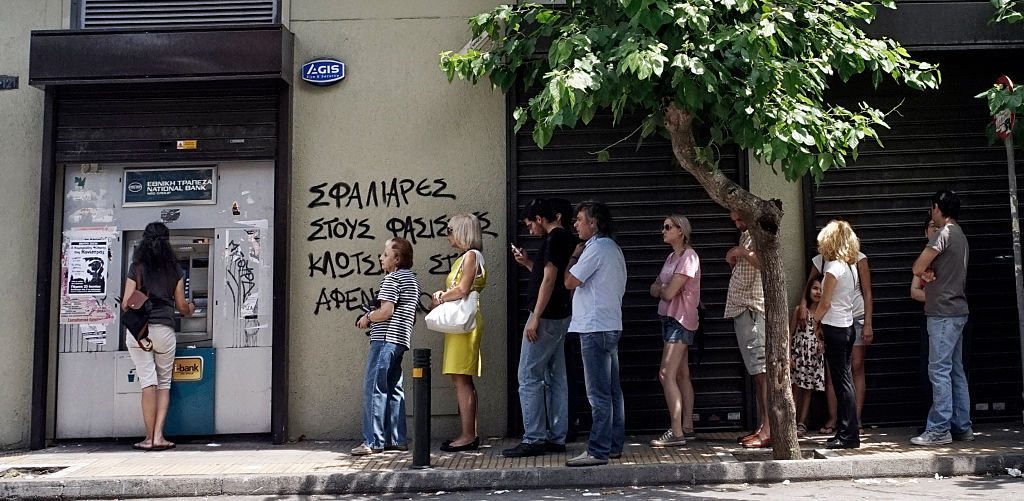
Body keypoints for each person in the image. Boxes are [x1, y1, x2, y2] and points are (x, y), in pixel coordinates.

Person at [503, 199, 575, 458]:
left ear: (541, 218)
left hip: (546, 317)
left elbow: (550, 279)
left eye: (530, 223)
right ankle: (556, 437)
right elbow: (547, 276)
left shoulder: (554, 239)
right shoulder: (566, 239)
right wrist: (527, 263)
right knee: (556, 377)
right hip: (560, 315)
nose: (529, 228)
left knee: (529, 375)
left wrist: (535, 316)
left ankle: (533, 438)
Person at [120, 222, 195, 452]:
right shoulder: (175, 270)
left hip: (139, 332)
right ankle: (159, 437)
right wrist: (191, 308)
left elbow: (125, 303)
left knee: (147, 382)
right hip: (164, 331)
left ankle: (147, 438)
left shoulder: (137, 267)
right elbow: (182, 306)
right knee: (163, 383)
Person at [564, 201, 627, 467]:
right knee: (612, 391)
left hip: (594, 327)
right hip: (610, 324)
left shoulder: (595, 249)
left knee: (598, 394)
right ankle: (612, 445)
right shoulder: (613, 248)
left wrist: (574, 255)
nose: (575, 224)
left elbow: (569, 282)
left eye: (579, 219)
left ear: (594, 223)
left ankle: (597, 451)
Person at [911, 190, 972, 446]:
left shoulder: (943, 234)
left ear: (937, 208)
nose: (930, 213)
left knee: (939, 371)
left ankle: (938, 429)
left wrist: (922, 272)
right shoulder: (960, 235)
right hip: (956, 311)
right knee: (955, 371)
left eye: (931, 208)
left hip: (943, 314)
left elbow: (917, 266)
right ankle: (962, 426)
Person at [351, 238, 420, 456]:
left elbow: (386, 312)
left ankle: (373, 441)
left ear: (397, 259)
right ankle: (396, 439)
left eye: (385, 254)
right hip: (400, 340)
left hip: (384, 340)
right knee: (394, 388)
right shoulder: (411, 280)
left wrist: (368, 317)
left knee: (375, 388)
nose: (381, 258)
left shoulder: (391, 280)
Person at [798, 245, 873, 435]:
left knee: (855, 366)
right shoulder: (822, 260)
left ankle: (855, 420)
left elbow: (867, 292)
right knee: (834, 371)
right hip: (832, 319)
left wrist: (868, 323)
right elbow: (809, 284)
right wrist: (804, 306)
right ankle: (835, 419)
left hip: (854, 316)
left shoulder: (857, 259)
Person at [431, 213, 487, 452]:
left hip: (465, 324)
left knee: (461, 378)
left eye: (451, 230)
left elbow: (463, 289)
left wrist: (442, 296)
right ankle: (468, 433)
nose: (448, 235)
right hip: (460, 324)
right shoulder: (466, 257)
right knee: (460, 377)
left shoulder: (471, 256)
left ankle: (468, 435)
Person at [649, 214, 700, 447]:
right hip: (668, 318)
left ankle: (676, 432)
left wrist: (664, 288)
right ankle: (687, 426)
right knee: (681, 374)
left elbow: (667, 292)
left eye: (668, 227)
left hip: (680, 320)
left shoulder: (689, 257)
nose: (663, 230)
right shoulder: (671, 257)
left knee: (665, 373)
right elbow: (655, 288)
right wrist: (663, 288)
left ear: (681, 230)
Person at [812, 220, 861, 449]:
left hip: (835, 327)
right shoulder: (849, 267)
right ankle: (847, 431)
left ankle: (848, 434)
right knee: (845, 380)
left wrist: (815, 321)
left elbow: (825, 302)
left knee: (842, 382)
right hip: (847, 325)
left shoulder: (832, 268)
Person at [724, 211, 769, 448]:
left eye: (740, 219)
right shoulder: (746, 235)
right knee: (756, 373)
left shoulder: (760, 233)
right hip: (744, 308)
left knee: (762, 372)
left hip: (753, 308)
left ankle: (769, 429)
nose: (737, 224)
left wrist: (741, 253)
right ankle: (763, 426)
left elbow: (765, 262)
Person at [790, 279, 825, 437]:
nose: (818, 292)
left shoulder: (825, 312)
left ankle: (802, 423)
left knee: (809, 389)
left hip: (814, 357)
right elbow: (790, 334)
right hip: (799, 354)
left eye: (821, 289)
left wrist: (821, 344)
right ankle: (791, 421)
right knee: (795, 388)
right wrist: (789, 355)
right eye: (815, 288)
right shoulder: (799, 310)